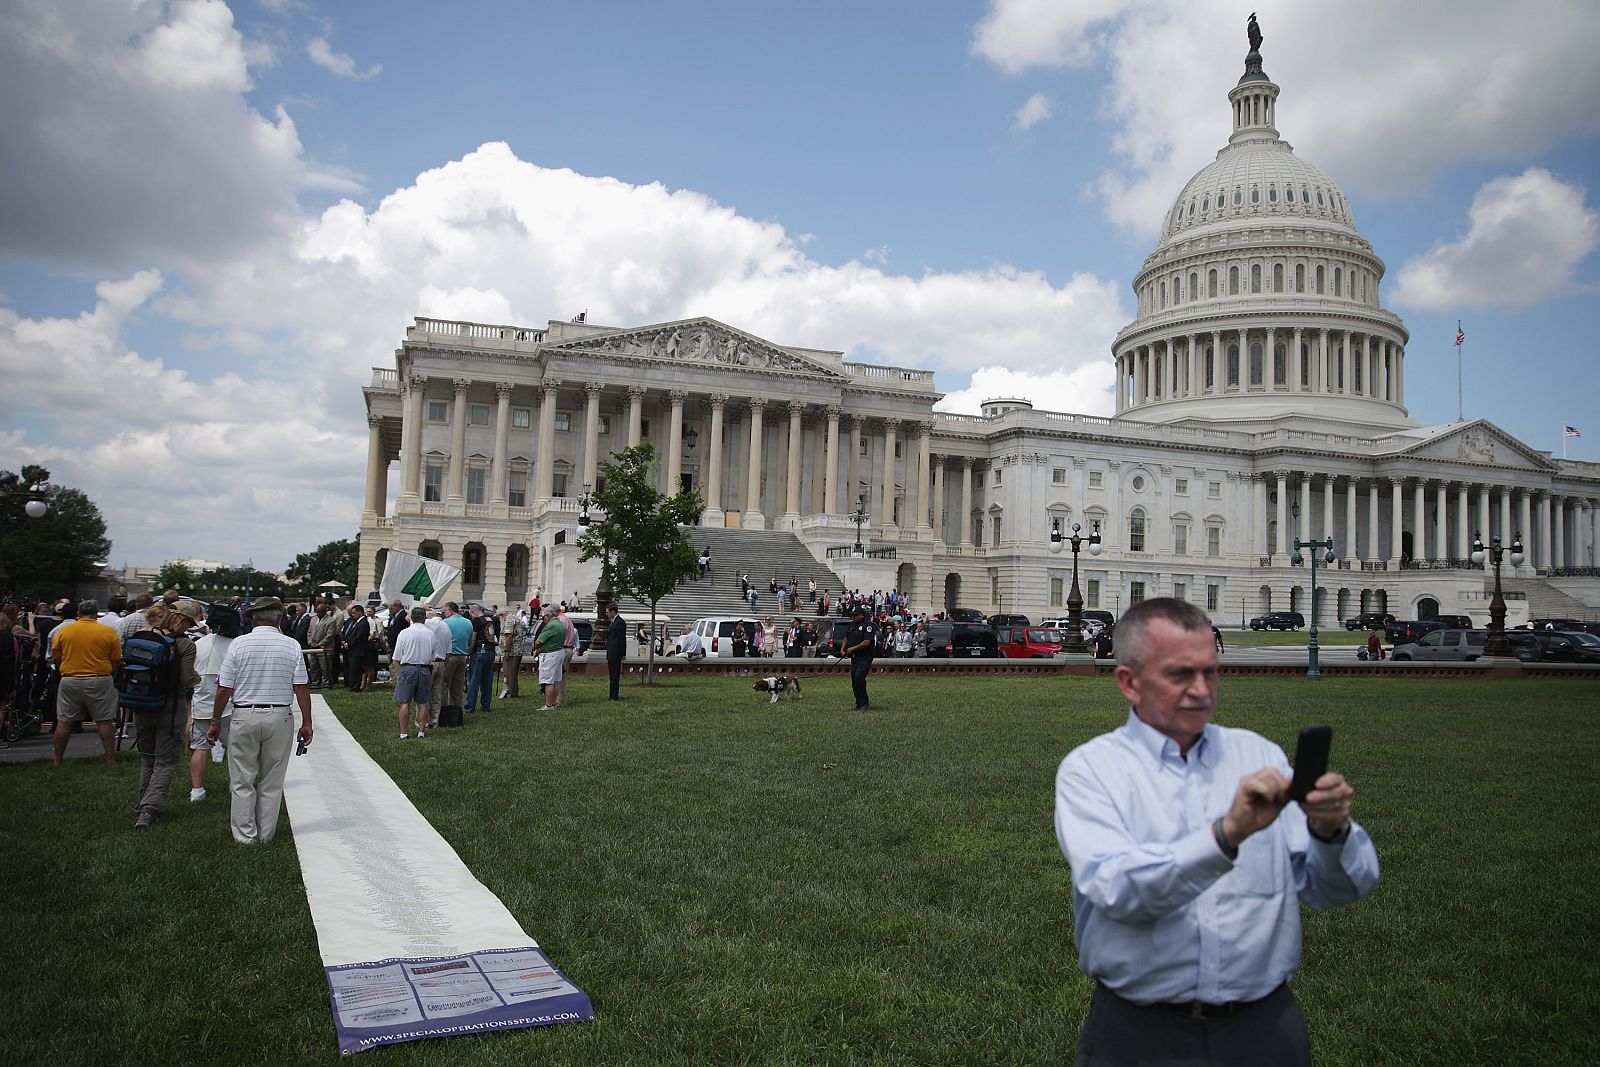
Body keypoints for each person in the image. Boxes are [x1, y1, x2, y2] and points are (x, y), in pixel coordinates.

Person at [1054, 598, 1378, 1065]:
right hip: (1139, 1035)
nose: (1201, 690)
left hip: (1263, 1029)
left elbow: (1338, 891)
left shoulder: (1258, 756)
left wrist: (1332, 833)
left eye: (1210, 671)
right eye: (1180, 674)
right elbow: (1118, 889)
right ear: (1129, 682)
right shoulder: (1093, 770)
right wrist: (1225, 835)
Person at [209, 597, 313, 845]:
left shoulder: (238, 645)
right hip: (279, 714)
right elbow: (301, 686)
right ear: (278, 619)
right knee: (272, 779)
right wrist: (307, 721)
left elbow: (224, 688)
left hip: (244, 714)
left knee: (242, 778)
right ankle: (265, 834)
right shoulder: (291, 645)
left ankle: (245, 836)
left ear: (253, 618)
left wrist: (215, 720)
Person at [132, 600, 201, 829]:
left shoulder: (143, 635)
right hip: (170, 707)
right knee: (165, 761)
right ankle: (148, 811)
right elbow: (186, 679)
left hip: (141, 703)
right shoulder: (185, 645)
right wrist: (196, 679)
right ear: (186, 621)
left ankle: (142, 802)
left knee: (147, 759)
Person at [50, 599, 121, 766]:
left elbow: (56, 656)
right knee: (104, 720)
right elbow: (116, 659)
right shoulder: (107, 632)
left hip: (70, 678)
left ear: (78, 614)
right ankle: (110, 759)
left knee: (64, 721)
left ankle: (57, 760)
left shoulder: (64, 631)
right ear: (97, 614)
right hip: (99, 678)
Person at [188, 601, 240, 803]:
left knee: (200, 747)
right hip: (228, 704)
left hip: (202, 702)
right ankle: (235, 785)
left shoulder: (198, 644)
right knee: (235, 748)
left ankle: (197, 791)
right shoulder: (234, 646)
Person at [391, 606, 436, 739]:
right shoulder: (430, 634)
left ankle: (403, 732)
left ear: (412, 617)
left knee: (405, 702)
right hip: (424, 668)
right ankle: (421, 731)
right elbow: (433, 655)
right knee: (422, 702)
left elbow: (397, 656)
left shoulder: (404, 633)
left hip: (408, 667)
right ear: (424, 618)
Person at [438, 602, 473, 719]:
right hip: (462, 656)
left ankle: (442, 713)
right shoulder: (468, 622)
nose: (443, 614)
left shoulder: (445, 623)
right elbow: (470, 641)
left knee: (444, 685)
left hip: (450, 657)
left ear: (449, 610)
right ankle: (456, 713)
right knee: (457, 687)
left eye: (444, 611)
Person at [463, 605, 497, 714]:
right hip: (490, 652)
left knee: (473, 681)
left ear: (473, 612)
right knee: (487, 681)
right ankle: (486, 706)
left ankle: (469, 707)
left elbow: (473, 639)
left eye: (470, 615)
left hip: (479, 652)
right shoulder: (490, 620)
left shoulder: (477, 621)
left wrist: (468, 652)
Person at [842, 606, 876, 710]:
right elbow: (846, 637)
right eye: (852, 615)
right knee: (854, 679)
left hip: (865, 656)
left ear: (862, 615)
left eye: (855, 615)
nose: (853, 617)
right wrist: (843, 649)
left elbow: (867, 642)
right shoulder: (852, 625)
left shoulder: (869, 626)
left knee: (859, 678)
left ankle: (864, 703)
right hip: (855, 657)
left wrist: (852, 649)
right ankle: (858, 702)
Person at [533, 605, 565, 711]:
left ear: (547, 616)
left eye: (544, 617)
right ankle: (554, 703)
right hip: (559, 652)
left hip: (550, 654)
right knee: (556, 680)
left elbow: (539, 641)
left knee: (548, 681)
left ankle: (548, 704)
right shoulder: (561, 624)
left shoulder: (551, 625)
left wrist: (536, 648)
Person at [305, 600, 337, 689]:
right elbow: (309, 632)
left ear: (325, 611)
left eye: (320, 612)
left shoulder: (331, 621)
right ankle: (315, 683)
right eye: (317, 612)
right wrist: (310, 642)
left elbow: (329, 635)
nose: (318, 613)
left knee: (325, 668)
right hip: (313, 648)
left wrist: (319, 644)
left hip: (324, 649)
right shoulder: (313, 619)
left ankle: (326, 684)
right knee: (313, 667)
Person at [500, 608, 526, 700]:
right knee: (513, 672)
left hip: (512, 651)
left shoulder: (509, 620)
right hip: (517, 650)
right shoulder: (516, 618)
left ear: (502, 615)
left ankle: (511, 692)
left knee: (509, 672)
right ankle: (513, 691)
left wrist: (506, 650)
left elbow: (509, 635)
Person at [605, 602, 626, 700]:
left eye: (608, 612)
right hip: (611, 652)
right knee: (612, 675)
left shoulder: (620, 622)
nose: (606, 614)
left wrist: (622, 653)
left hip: (616, 653)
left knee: (615, 675)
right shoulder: (613, 621)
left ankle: (614, 696)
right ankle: (611, 695)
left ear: (613, 612)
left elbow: (621, 639)